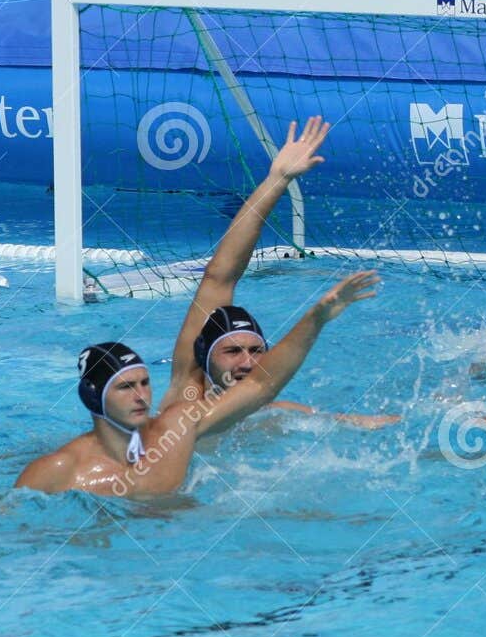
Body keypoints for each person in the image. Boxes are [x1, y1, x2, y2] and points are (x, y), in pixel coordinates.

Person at [15, 272, 381, 499]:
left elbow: (261, 388)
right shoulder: (58, 469)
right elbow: (8, 522)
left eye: (144, 383)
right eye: (126, 387)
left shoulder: (178, 428)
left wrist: (316, 319)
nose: (142, 395)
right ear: (92, 397)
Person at [158, 116, 398, 431]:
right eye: (232, 351)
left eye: (257, 351)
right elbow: (219, 276)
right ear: (204, 358)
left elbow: (377, 426)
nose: (247, 363)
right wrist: (277, 179)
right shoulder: (185, 406)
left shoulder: (279, 415)